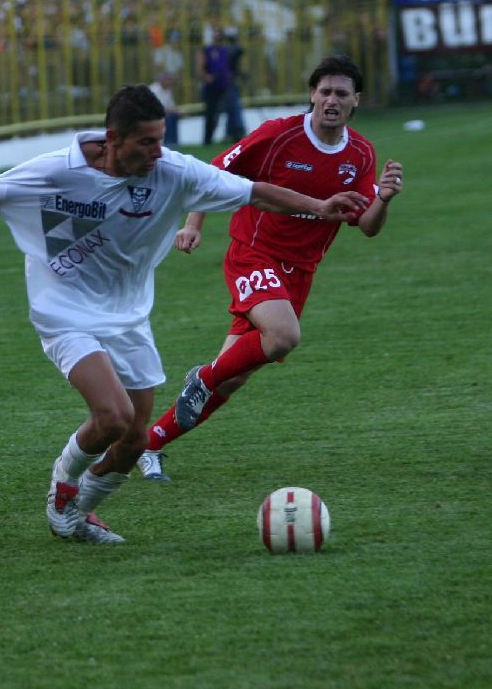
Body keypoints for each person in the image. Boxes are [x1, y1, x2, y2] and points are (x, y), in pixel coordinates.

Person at [0, 85, 368, 544]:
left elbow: (254, 190)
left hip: (129, 316)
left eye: (161, 140)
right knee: (111, 416)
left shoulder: (173, 172)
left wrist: (320, 206)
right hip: (63, 308)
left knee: (134, 440)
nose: (157, 152)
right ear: (113, 139)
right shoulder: (58, 170)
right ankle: (61, 484)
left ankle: (76, 514)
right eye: (147, 142)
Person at [137, 55, 404, 482]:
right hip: (254, 253)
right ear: (312, 95)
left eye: (341, 93)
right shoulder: (278, 135)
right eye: (324, 91)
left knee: (232, 380)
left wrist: (383, 200)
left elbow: (367, 227)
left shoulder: (360, 153)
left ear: (356, 100)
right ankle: (201, 377)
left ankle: (149, 443)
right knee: (282, 336)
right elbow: (213, 173)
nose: (330, 100)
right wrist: (192, 224)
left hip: (300, 273)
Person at [200, 27, 232, 144]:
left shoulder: (224, 50)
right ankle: (207, 139)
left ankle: (218, 136)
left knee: (220, 113)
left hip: (222, 85)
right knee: (210, 113)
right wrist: (207, 77)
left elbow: (227, 66)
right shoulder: (207, 50)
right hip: (211, 86)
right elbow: (201, 66)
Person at [149, 71, 181, 148]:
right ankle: (168, 142)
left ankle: (173, 142)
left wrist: (178, 111)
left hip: (162, 113)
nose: (170, 82)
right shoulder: (154, 89)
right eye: (168, 80)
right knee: (168, 118)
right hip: (152, 114)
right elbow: (159, 107)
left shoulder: (168, 90)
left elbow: (171, 105)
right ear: (162, 80)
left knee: (174, 116)